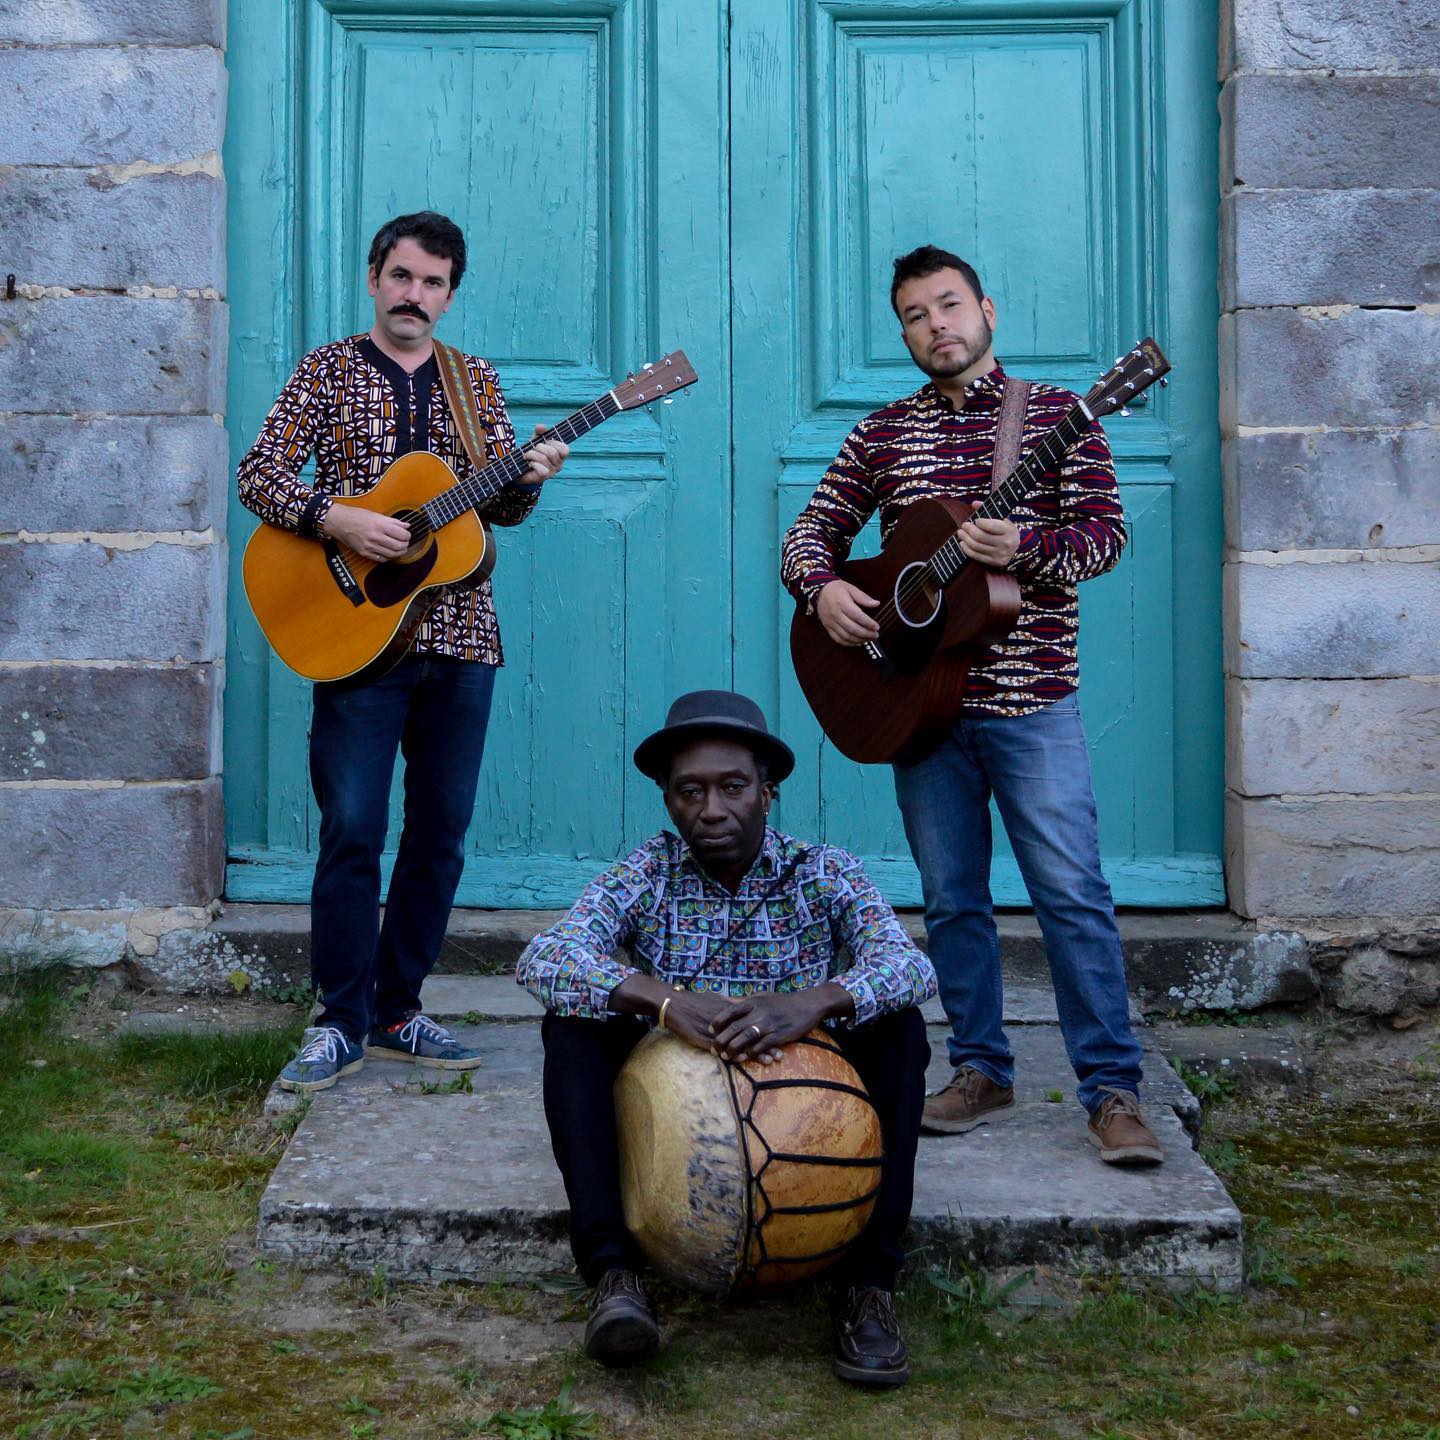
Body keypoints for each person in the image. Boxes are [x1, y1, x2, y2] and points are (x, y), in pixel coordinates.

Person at [780, 244, 1164, 1167]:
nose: (935, 326)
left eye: (948, 305)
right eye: (915, 315)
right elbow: (810, 532)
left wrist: (1024, 546)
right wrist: (821, 591)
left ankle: (1112, 1091)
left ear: (987, 310)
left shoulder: (1061, 416)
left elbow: (1105, 537)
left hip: (1032, 704)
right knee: (953, 900)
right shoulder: (881, 435)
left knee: (1071, 895)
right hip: (920, 707)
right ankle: (981, 1068)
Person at [516, 690, 937, 1386]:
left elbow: (910, 966)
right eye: (690, 792)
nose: (711, 810)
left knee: (900, 1031)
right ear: (668, 801)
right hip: (678, 1094)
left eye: (733, 787)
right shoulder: (648, 871)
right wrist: (663, 1000)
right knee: (572, 1027)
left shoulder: (823, 871)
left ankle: (870, 1287)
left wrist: (810, 1004)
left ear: (767, 793)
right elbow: (545, 958)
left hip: (810, 1097)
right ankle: (614, 1276)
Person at [238, 211, 569, 1092]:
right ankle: (339, 1020)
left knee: (440, 833)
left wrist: (531, 478)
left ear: (449, 296)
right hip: (355, 638)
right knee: (352, 827)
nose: (414, 295)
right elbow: (258, 474)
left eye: (432, 283)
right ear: (374, 278)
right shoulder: (327, 370)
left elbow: (496, 512)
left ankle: (398, 1009)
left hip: (462, 638)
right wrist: (337, 517)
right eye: (402, 277)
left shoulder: (473, 381)